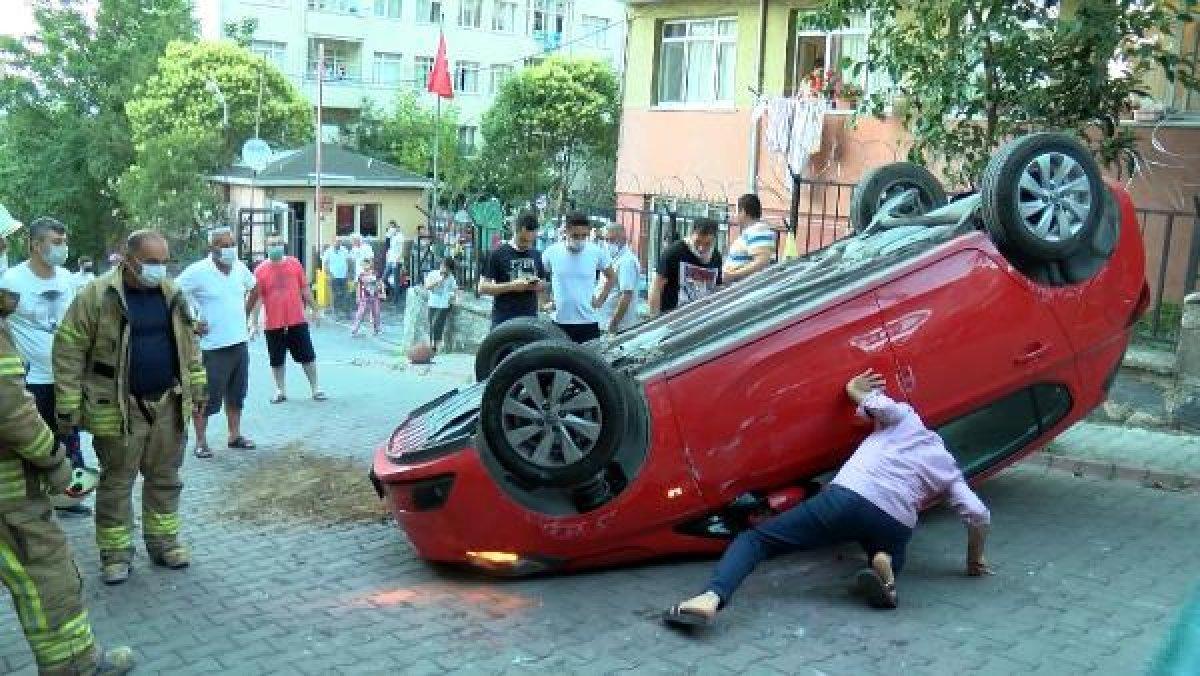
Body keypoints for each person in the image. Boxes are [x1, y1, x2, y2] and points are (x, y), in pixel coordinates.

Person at [663, 369, 992, 627]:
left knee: (757, 541)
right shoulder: (950, 469)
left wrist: (853, 387)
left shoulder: (907, 419)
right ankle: (885, 565)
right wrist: (974, 560)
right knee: (892, 551)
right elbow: (978, 515)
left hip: (850, 497)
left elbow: (870, 400)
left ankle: (711, 598)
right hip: (895, 520)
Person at [54, 230, 208, 585]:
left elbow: (190, 345)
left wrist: (198, 386)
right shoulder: (97, 295)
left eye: (164, 262)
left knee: (165, 478)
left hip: (168, 403)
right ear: (128, 257)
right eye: (151, 262)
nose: (159, 269)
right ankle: (115, 554)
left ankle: (164, 543)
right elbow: (68, 349)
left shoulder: (172, 293)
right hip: (118, 408)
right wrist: (68, 404)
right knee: (116, 483)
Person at [0, 299, 136, 674]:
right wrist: (57, 464)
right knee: (47, 575)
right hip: (9, 496)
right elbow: (12, 413)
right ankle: (73, 664)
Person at [0, 218, 92, 516]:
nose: (62, 248)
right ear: (36, 245)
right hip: (31, 380)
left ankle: (71, 498)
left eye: (64, 242)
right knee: (37, 442)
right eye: (56, 242)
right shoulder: (11, 281)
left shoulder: (67, 279)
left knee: (70, 438)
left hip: (66, 379)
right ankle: (38, 500)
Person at [176, 227, 257, 459]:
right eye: (223, 245)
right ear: (211, 248)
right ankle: (201, 442)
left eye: (232, 244)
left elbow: (255, 287)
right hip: (212, 348)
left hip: (239, 343)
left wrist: (245, 314)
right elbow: (171, 293)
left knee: (237, 394)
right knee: (205, 397)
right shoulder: (198, 271)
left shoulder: (239, 268)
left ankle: (234, 435)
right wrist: (191, 322)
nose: (229, 249)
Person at [246, 236, 327, 404]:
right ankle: (280, 390)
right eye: (272, 244)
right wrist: (253, 323)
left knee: (308, 356)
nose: (275, 246)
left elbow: (304, 289)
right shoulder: (260, 270)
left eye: (278, 243)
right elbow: (257, 298)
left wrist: (315, 309)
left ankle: (316, 388)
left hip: (296, 320)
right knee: (276, 359)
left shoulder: (294, 263)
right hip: (273, 323)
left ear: (283, 245)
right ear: (266, 247)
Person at [542, 212, 616, 343]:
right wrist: (544, 301)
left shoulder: (596, 252)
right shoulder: (551, 252)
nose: (580, 240)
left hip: (588, 322)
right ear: (566, 231)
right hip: (559, 322)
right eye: (575, 236)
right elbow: (540, 278)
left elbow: (612, 276)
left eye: (584, 236)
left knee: (589, 356)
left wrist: (600, 300)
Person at [478, 211, 547, 328]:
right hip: (503, 321)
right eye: (523, 240)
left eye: (530, 241)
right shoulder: (497, 253)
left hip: (529, 320)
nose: (527, 244)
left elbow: (543, 284)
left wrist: (538, 285)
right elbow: (482, 287)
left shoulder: (536, 254)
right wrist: (512, 286)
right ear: (516, 231)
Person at [648, 218, 723, 317]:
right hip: (673, 318)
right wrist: (654, 317)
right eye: (697, 242)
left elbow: (717, 288)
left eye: (707, 244)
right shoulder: (674, 252)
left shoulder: (716, 257)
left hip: (701, 318)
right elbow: (656, 287)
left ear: (714, 240)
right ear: (691, 235)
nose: (701, 248)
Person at [597, 223, 643, 335]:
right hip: (605, 322)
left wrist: (613, 324)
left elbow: (626, 295)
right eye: (606, 239)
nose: (608, 243)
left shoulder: (627, 261)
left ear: (623, 239)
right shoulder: (611, 258)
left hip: (617, 327)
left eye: (612, 239)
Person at [723, 193, 778, 284]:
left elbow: (762, 262)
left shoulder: (758, 231)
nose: (735, 215)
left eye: (737, 211)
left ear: (743, 211)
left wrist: (733, 275)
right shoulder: (754, 232)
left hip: (743, 287)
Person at [424, 258, 458, 353]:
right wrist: (438, 281)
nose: (444, 269)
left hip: (444, 305)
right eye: (443, 266)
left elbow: (455, 289)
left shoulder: (451, 277)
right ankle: (430, 344)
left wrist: (455, 298)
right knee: (431, 324)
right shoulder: (433, 274)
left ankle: (435, 345)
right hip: (433, 303)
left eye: (447, 268)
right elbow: (427, 287)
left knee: (439, 325)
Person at [351, 258, 386, 337]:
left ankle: (377, 329)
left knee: (376, 313)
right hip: (364, 297)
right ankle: (354, 329)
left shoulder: (375, 274)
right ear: (362, 266)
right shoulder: (361, 275)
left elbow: (381, 283)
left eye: (367, 264)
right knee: (360, 314)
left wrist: (382, 293)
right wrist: (358, 297)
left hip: (375, 296)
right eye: (364, 265)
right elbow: (358, 287)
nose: (366, 266)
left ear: (370, 264)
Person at [321, 238, 351, 319]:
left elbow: (348, 261)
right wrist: (329, 275)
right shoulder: (328, 251)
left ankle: (347, 312)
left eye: (340, 241)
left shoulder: (344, 250)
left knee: (346, 294)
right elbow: (325, 264)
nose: (338, 243)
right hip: (333, 277)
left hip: (344, 276)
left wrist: (348, 272)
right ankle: (336, 313)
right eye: (337, 241)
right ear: (333, 242)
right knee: (335, 295)